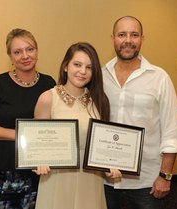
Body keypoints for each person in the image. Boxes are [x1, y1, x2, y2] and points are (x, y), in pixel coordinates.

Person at [102, 16, 177, 209]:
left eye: (134, 35)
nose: (128, 40)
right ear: (113, 38)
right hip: (105, 178)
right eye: (122, 34)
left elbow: (171, 131)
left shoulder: (159, 78)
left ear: (142, 39)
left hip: (146, 180)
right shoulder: (100, 75)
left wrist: (165, 176)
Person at [0, 28, 56, 209]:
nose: (25, 56)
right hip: (1, 168)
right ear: (10, 57)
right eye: (17, 52)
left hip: (36, 169)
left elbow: (55, 124)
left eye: (30, 49)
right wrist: (21, 134)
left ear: (37, 51)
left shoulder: (49, 84)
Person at [33, 42, 109, 209]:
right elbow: (38, 145)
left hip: (90, 179)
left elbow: (104, 145)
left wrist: (111, 166)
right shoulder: (48, 98)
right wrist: (39, 162)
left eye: (89, 67)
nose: (83, 71)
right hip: (57, 178)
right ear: (65, 66)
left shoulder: (99, 100)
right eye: (77, 64)